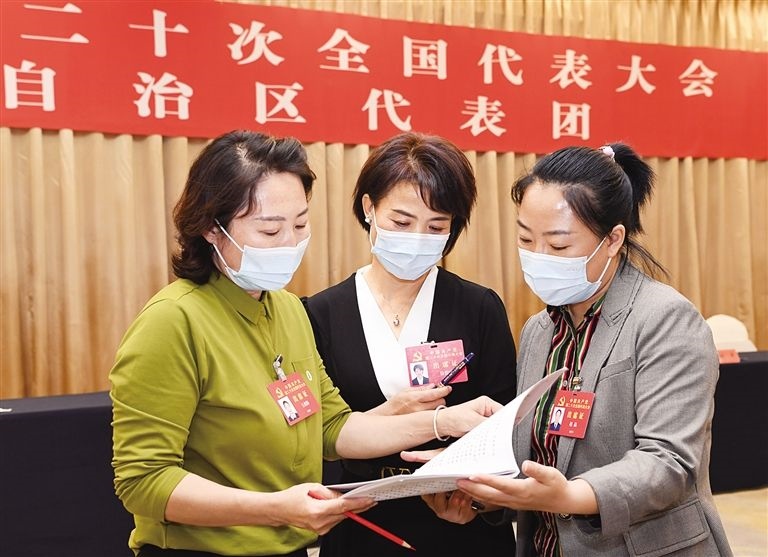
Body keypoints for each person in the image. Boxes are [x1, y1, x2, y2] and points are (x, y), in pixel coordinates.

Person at [109, 130, 500, 557]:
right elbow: (143, 480)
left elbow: (333, 428)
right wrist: (275, 509)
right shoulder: (173, 320)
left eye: (300, 224)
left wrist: (444, 422)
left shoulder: (288, 310)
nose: (290, 243)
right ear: (211, 228)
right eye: (270, 229)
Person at [449, 144, 732, 555]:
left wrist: (569, 496)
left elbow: (669, 462)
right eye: (525, 238)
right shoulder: (538, 331)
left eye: (558, 246)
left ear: (613, 239)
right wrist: (482, 493)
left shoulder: (665, 319)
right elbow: (540, 458)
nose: (538, 257)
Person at [304, 132, 517, 557]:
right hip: (362, 528)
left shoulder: (478, 306)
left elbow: (506, 428)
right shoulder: (320, 313)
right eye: (402, 222)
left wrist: (479, 501)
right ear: (369, 208)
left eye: (436, 226)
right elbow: (313, 440)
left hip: (462, 530)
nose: (418, 238)